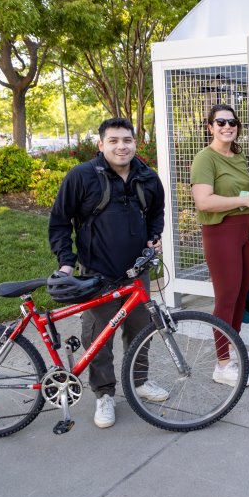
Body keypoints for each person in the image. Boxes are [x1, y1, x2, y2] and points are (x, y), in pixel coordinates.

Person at [49, 117, 167, 429]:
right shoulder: (82, 176)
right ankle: (104, 393)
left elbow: (157, 212)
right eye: (113, 140)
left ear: (134, 143)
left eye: (126, 140)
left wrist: (154, 239)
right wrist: (66, 262)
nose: (121, 146)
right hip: (96, 274)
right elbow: (60, 222)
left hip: (137, 273)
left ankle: (138, 380)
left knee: (142, 329)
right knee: (98, 337)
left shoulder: (147, 177)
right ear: (101, 145)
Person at [191, 104, 249, 387]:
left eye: (232, 122)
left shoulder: (239, 156)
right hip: (221, 231)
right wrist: (243, 201)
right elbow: (204, 201)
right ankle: (222, 364)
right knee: (226, 296)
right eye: (220, 122)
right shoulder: (204, 159)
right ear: (210, 127)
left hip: (246, 230)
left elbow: (243, 191)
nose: (227, 126)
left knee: (242, 292)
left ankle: (232, 350)